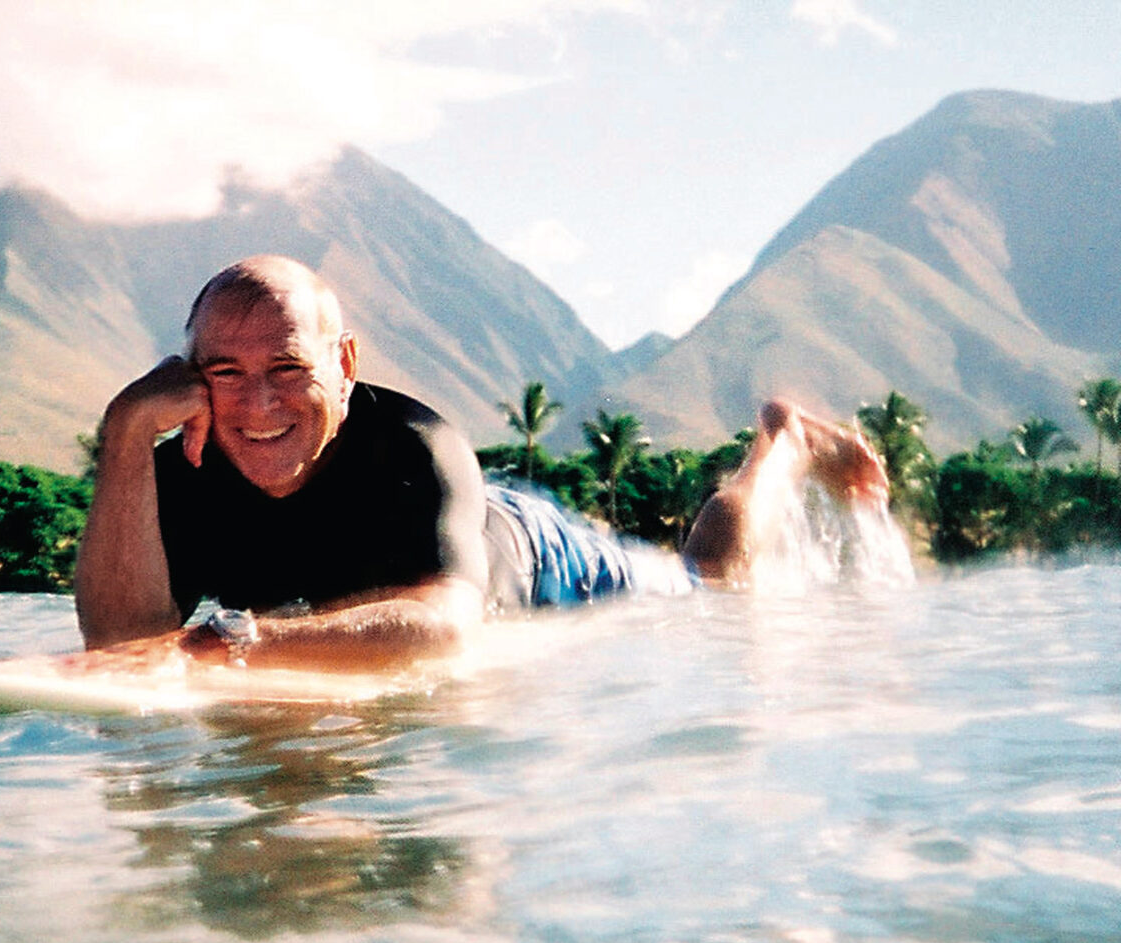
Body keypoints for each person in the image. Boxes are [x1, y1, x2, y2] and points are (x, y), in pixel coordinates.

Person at [72, 255, 887, 674]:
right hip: (432, 552)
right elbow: (120, 642)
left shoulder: (414, 442)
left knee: (712, 582)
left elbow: (444, 628)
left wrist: (238, 641)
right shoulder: (178, 469)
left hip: (530, 559)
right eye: (225, 373)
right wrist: (123, 434)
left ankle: (779, 445)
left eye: (289, 368)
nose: (258, 404)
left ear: (345, 364)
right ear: (188, 377)